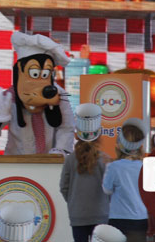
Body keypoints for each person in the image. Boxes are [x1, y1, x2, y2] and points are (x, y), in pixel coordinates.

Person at [60, 103, 110, 242]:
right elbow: (109, 188)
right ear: (99, 134)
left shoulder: (70, 159)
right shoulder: (105, 159)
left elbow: (63, 187)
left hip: (77, 215)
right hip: (101, 215)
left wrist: (73, 201)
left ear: (77, 135)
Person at [102, 118, 148, 242]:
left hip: (118, 219)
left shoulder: (113, 167)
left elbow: (106, 189)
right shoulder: (145, 167)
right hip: (141, 219)